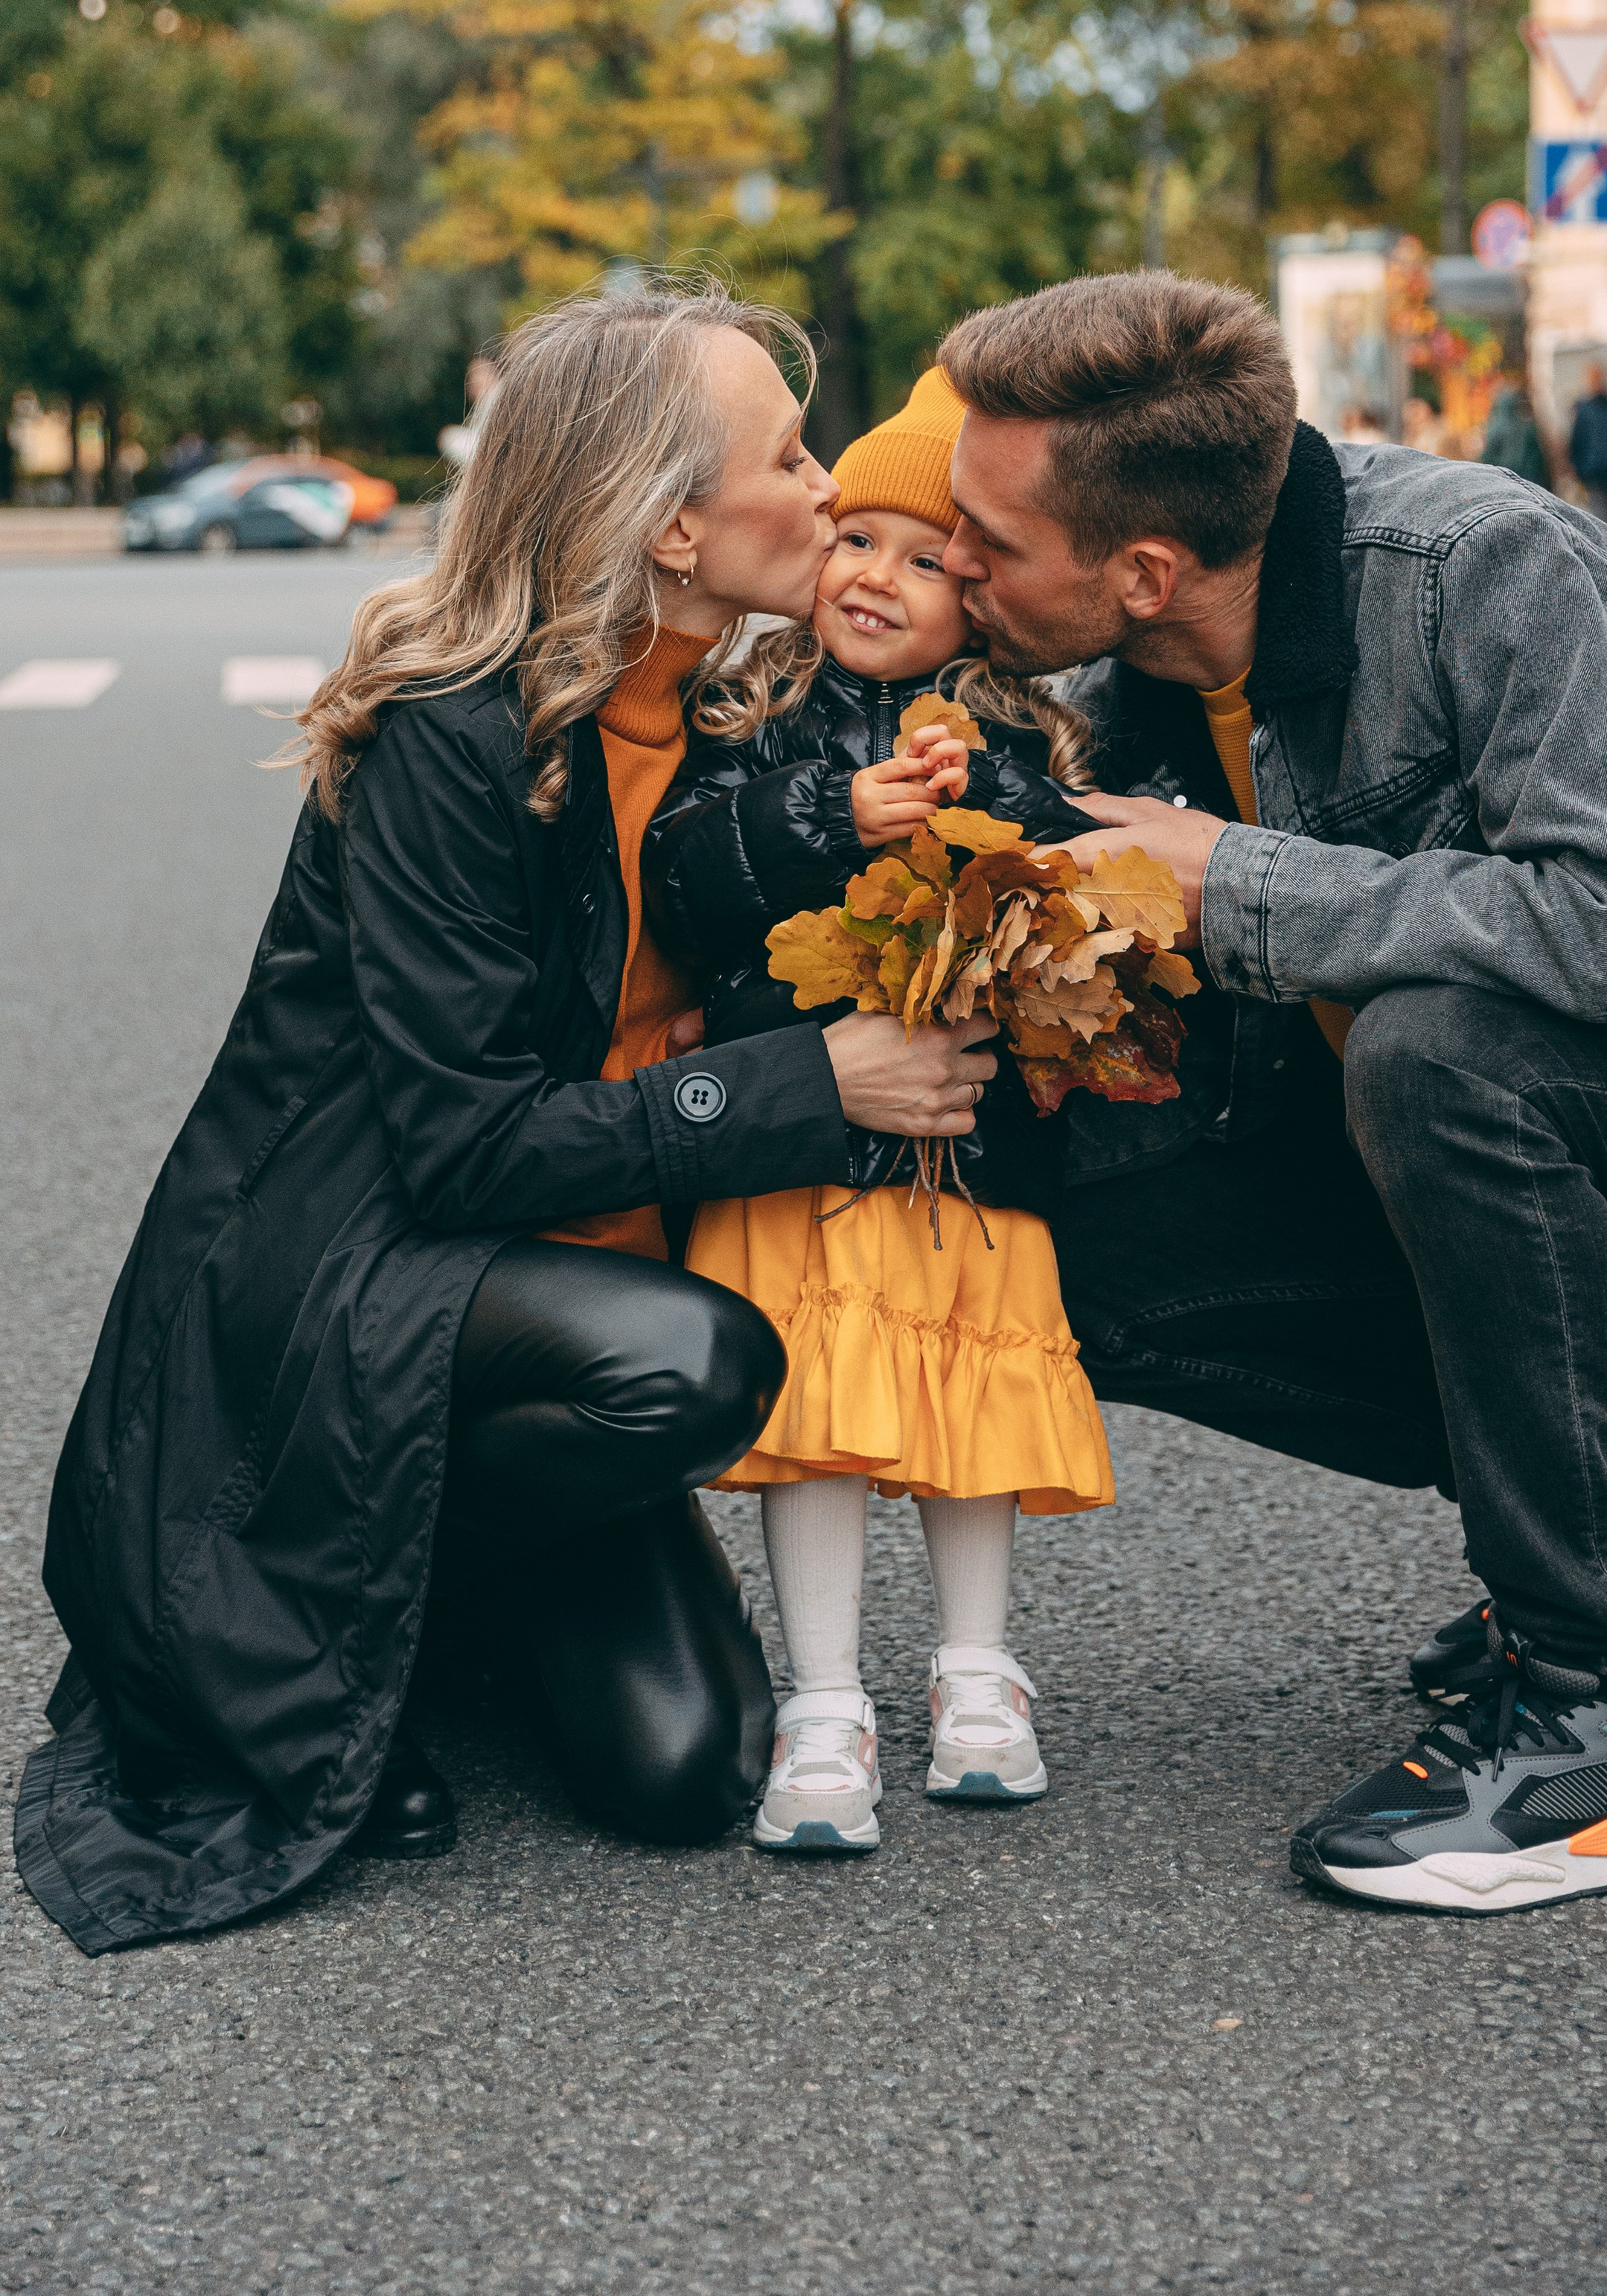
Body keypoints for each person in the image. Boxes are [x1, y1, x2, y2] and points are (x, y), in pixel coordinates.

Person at [16, 283, 1000, 1955]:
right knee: (695, 1365)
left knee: (685, 1775)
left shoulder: (723, 717)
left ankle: (419, 1607)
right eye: (791, 451)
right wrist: (808, 1082)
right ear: (673, 525)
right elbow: (464, 1149)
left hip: (538, 1292)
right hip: (351, 1282)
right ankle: (293, 1610)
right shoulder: (454, 736)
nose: (834, 485)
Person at [935, 268, 1607, 1916]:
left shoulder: (1488, 570)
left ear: (1143, 569)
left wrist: (1233, 875)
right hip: (1522, 1185)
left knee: (1437, 1045)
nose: (952, 558)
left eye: (984, 541)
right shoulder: (1122, 680)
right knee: (1043, 1212)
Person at [644, 368, 1108, 1852]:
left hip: (968, 1161)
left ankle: (977, 1674)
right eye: (857, 541)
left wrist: (989, 815)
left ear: (977, 602)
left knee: (965, 1419)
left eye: (927, 562)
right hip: (798, 1154)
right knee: (821, 1428)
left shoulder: (1007, 740)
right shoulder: (753, 716)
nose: (878, 580)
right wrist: (835, 814)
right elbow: (690, 874)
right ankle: (824, 1697)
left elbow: (1067, 895)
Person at [1567, 359, 1607, 527]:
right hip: (1594, 478)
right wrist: (1580, 472)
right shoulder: (1583, 409)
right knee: (1602, 524)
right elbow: (1576, 443)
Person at [1477, 377, 1552, 490]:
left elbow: (1487, 457)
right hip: (1530, 481)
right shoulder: (1527, 427)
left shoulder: (1494, 428)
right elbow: (1539, 459)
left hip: (1505, 480)